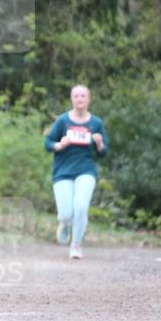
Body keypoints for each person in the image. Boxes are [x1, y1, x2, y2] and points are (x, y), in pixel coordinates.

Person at [44, 85, 108, 259]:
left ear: (88, 99)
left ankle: (76, 245)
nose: (80, 99)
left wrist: (99, 143)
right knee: (66, 214)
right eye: (76, 96)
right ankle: (65, 224)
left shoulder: (96, 123)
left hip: (86, 171)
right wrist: (59, 144)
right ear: (71, 99)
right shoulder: (63, 121)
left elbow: (103, 153)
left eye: (83, 96)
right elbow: (48, 143)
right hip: (63, 172)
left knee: (80, 207)